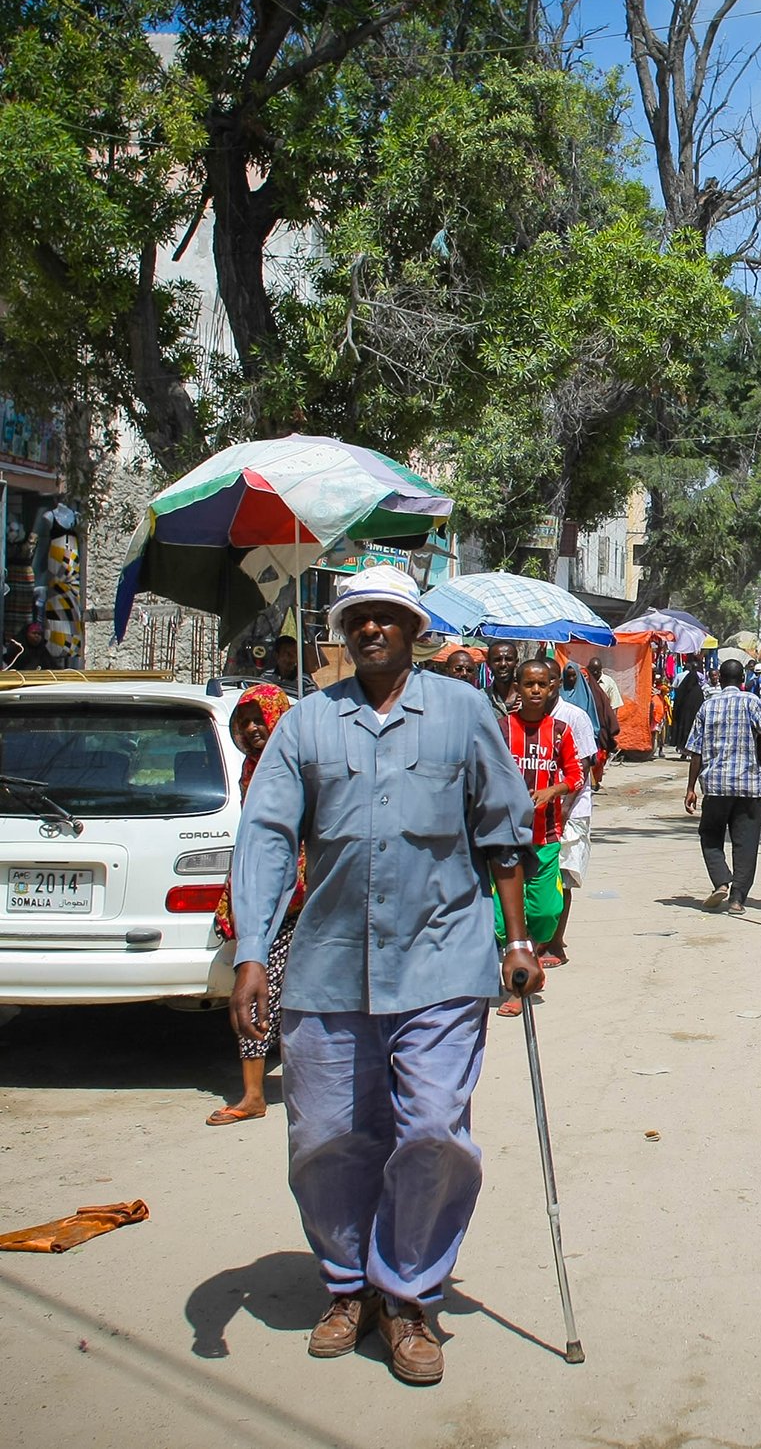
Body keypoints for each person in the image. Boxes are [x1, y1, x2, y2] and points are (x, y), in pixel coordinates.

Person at [229, 564, 539, 1387]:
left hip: (442, 959)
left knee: (433, 1129)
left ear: (413, 631)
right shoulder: (304, 727)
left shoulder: (466, 712)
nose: (371, 629)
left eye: (387, 617)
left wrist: (519, 941)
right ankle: (347, 1286)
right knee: (326, 1139)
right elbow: (263, 836)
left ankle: (408, 1297)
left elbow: (504, 834)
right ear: (343, 632)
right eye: (357, 618)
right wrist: (253, 951)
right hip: (330, 966)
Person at [206, 685, 305, 1126]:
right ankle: (252, 1093)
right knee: (255, 989)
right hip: (267, 899)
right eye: (243, 722)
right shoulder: (250, 768)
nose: (251, 729)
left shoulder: (297, 765)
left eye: (258, 719)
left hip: (302, 894)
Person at [497, 659, 583, 1014]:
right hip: (503, 837)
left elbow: (576, 776)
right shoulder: (501, 730)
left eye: (542, 685)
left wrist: (552, 792)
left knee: (547, 910)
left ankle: (532, 950)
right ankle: (519, 984)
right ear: (517, 686)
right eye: (527, 684)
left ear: (552, 688)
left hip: (545, 836)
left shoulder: (560, 731)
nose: (535, 690)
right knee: (502, 919)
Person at [684, 659, 761, 917]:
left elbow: (696, 751)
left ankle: (721, 880)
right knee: (745, 843)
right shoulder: (752, 702)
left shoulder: (707, 707)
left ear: (720, 679)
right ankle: (737, 900)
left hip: (716, 785)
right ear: (742, 679)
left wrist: (691, 787)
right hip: (750, 785)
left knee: (710, 835)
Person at [545, 665, 604, 969]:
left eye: (546, 682)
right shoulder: (528, 718)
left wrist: (564, 809)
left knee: (564, 876)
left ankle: (556, 943)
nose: (539, 689)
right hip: (539, 811)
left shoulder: (575, 716)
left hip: (570, 810)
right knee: (540, 877)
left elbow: (582, 765)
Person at [672, 655, 705, 758]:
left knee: (684, 731)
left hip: (684, 718)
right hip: (694, 719)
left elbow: (678, 701)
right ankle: (690, 752)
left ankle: (683, 751)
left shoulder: (683, 690)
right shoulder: (699, 691)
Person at [484, 641, 519, 716]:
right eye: (497, 660)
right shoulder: (482, 698)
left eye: (508, 659)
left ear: (516, 662)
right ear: (488, 664)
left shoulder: (528, 697)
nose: (503, 664)